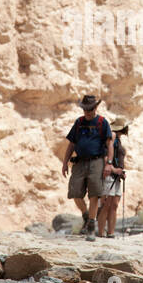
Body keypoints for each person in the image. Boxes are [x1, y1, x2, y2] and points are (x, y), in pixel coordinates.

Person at [61, 94, 113, 237]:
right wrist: (65, 163)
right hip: (79, 161)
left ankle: (91, 224)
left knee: (94, 194)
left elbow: (109, 144)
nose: (87, 112)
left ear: (95, 108)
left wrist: (109, 163)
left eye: (90, 109)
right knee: (75, 192)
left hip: (97, 162)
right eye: (85, 109)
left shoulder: (103, 123)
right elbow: (71, 144)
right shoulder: (79, 123)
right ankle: (86, 215)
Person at [97, 117, 129, 239]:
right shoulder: (113, 136)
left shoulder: (117, 139)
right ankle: (101, 233)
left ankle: (110, 233)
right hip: (110, 175)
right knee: (107, 204)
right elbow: (105, 156)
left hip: (116, 176)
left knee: (114, 204)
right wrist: (114, 169)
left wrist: (120, 172)